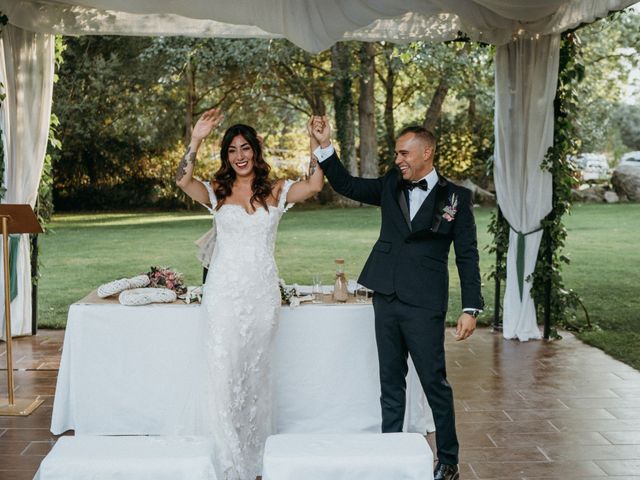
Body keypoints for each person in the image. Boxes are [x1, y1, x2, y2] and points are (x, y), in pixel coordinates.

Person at [310, 117, 483, 480]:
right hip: (385, 296)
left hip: (424, 303)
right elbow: (348, 184)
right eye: (396, 154)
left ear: (427, 152)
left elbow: (467, 254)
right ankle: (390, 452)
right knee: (390, 381)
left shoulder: (456, 198)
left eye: (404, 153)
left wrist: (470, 307)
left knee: (435, 382)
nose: (398, 159)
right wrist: (325, 145)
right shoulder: (391, 184)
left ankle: (448, 460)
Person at [176, 108, 323, 480]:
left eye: (245, 149)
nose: (239, 156)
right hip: (223, 293)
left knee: (255, 374)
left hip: (261, 295)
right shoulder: (218, 192)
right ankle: (225, 458)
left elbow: (316, 185)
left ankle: (255, 455)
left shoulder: (276, 191)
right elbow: (182, 181)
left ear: (256, 152)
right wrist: (196, 139)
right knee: (223, 372)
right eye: (231, 151)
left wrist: (316, 143)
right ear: (226, 156)